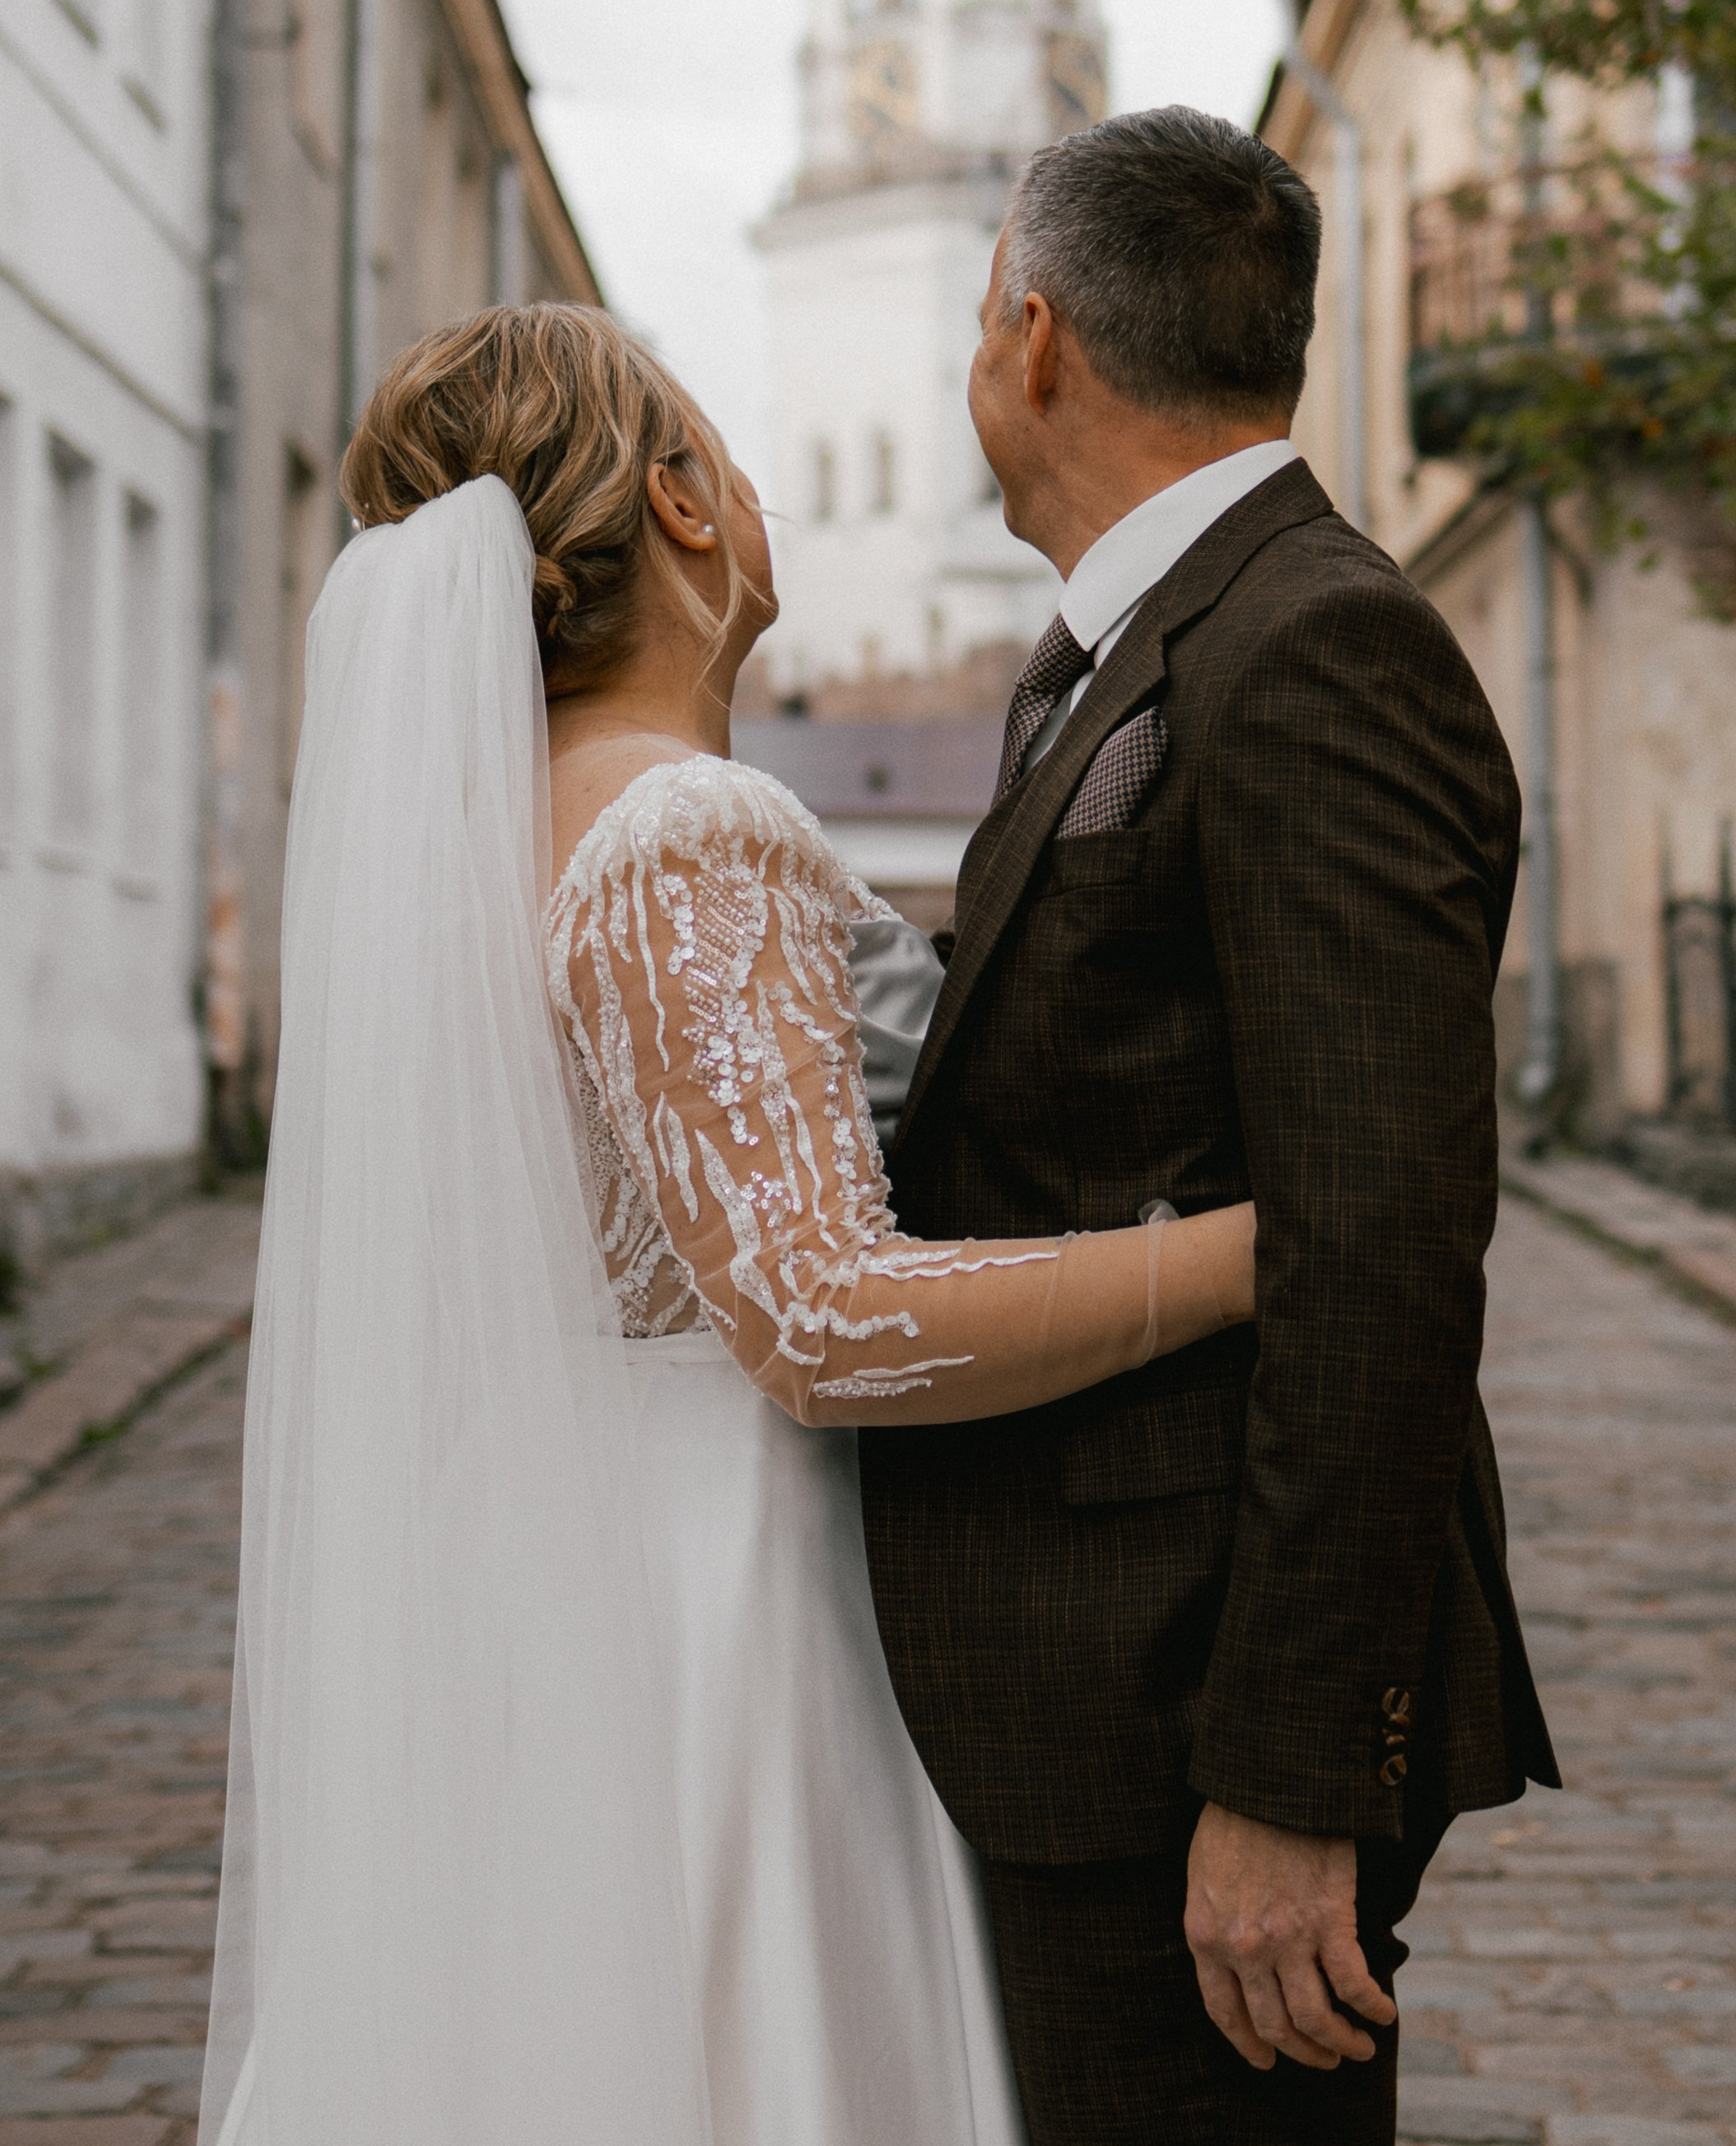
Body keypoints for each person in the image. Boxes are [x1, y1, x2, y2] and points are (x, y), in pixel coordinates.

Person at [196, 301, 1257, 2146]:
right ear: (683, 510)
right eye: (727, 449)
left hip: (533, 1563)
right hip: (717, 1591)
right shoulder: (687, 829)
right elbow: (822, 1316)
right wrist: (1248, 1256)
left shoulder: (472, 840)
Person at [859, 106, 1561, 2146]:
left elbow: (1383, 1246)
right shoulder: (1137, 641)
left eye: (984, 313)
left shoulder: (1317, 641)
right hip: (1074, 1697)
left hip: (1185, 1710)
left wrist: (1289, 1781)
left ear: (1036, 338)